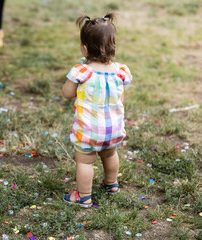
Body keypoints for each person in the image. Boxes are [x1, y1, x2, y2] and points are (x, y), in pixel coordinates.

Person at [61, 13, 132, 208]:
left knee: (85, 163)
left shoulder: (82, 72)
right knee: (110, 155)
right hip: (113, 129)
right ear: (113, 45)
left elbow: (67, 93)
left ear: (85, 48)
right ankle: (111, 184)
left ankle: (84, 196)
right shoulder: (121, 71)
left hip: (89, 132)